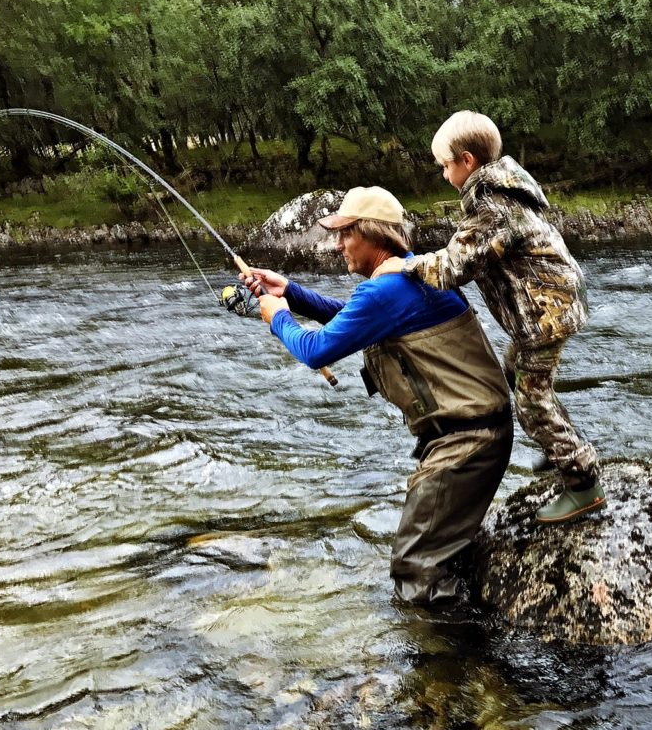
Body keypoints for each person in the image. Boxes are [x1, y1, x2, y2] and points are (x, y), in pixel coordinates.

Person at [241, 185, 513, 605]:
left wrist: (278, 318)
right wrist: (291, 293)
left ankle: (447, 664)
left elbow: (317, 350)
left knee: (415, 572)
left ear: (371, 234)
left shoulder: (385, 291)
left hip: (466, 442)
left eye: (345, 233)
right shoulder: (413, 274)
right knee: (435, 561)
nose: (338, 244)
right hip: (477, 434)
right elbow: (356, 320)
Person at [376, 110, 604, 524]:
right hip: (550, 305)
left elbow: (452, 269)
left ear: (467, 161)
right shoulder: (502, 190)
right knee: (518, 372)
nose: (443, 175)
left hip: (544, 313)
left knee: (531, 400)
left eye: (445, 166)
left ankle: (583, 482)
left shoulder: (491, 207)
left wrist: (405, 267)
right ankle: (564, 452)